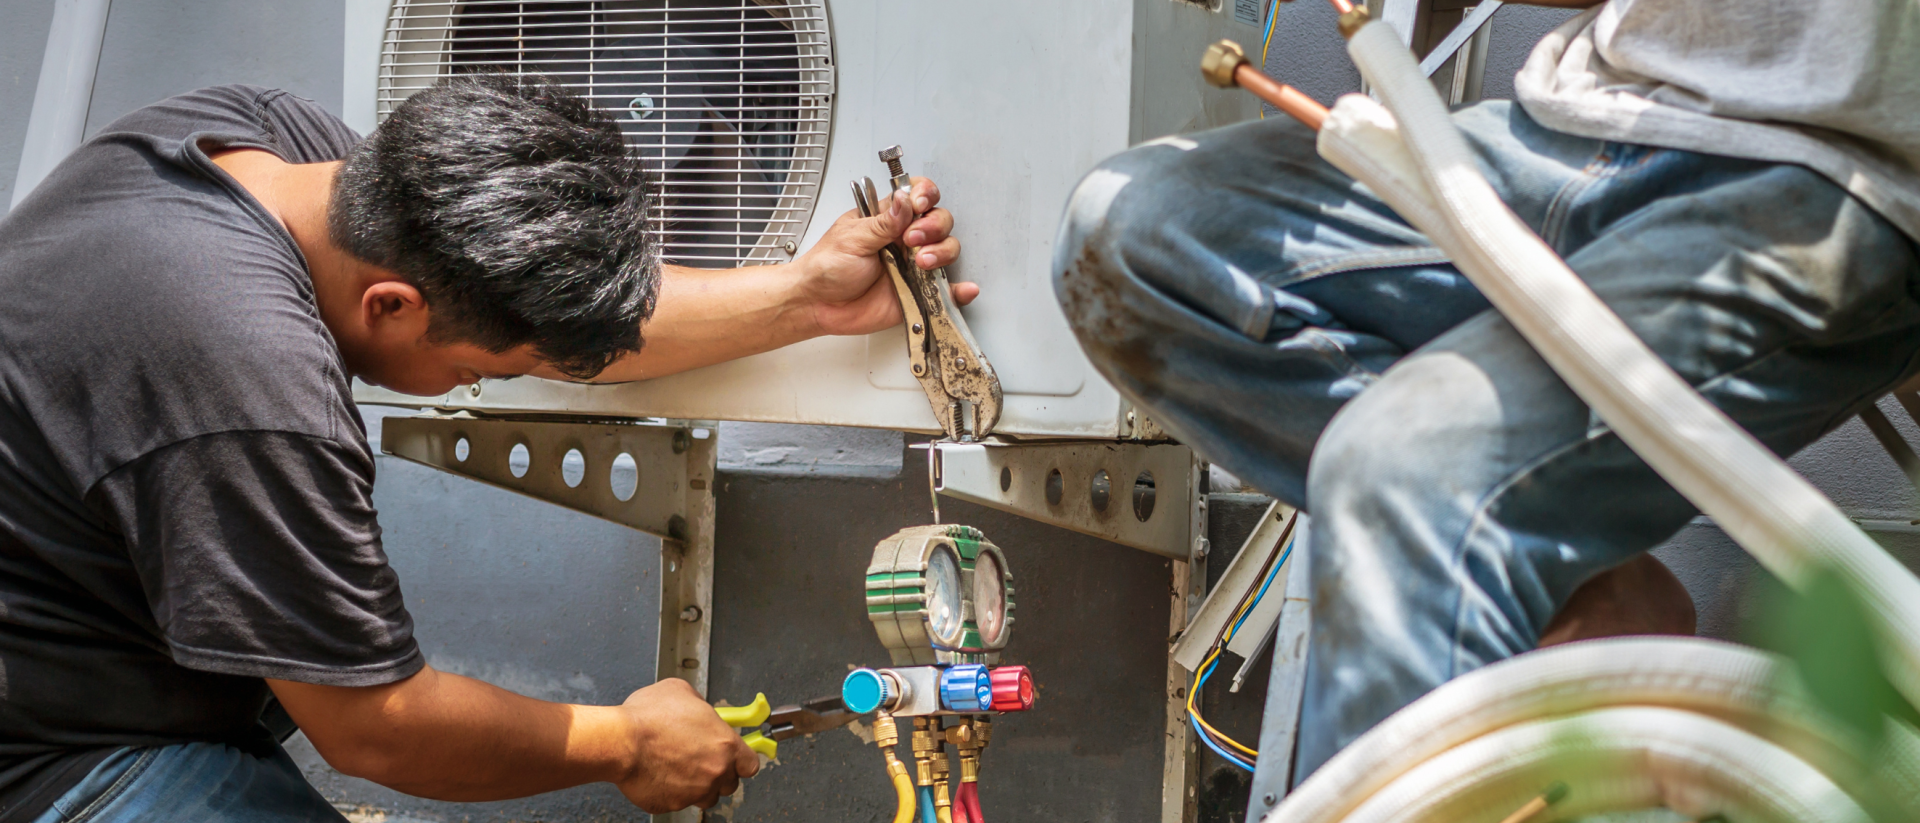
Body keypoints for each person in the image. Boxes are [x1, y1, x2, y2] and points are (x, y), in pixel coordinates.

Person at [0, 75, 966, 822]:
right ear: (392, 309)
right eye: (482, 372)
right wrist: (625, 741)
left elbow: (523, 308)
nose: (479, 385)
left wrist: (806, 296)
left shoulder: (286, 158)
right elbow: (376, 725)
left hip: (119, 665)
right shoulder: (246, 377)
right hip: (57, 752)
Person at [1053, 0, 1920, 783]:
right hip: (1592, 122)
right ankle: (1582, 575)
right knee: (1129, 235)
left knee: (1407, 468)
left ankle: (1486, 533)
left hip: (1830, 179)